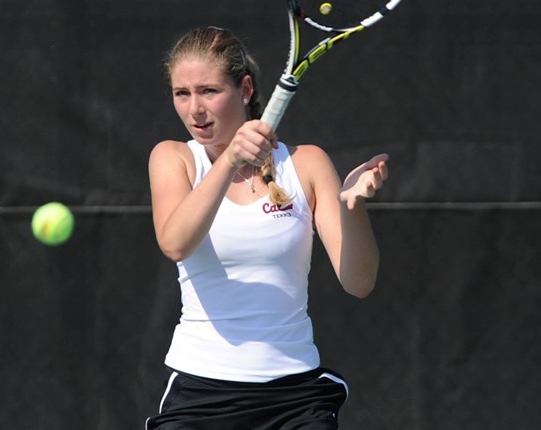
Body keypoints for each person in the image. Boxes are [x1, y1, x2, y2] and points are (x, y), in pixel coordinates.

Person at [145, 26, 389, 429]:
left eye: (208, 91)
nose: (194, 109)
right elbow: (175, 243)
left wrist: (353, 207)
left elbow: (359, 282)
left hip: (296, 399)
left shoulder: (307, 163)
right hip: (201, 396)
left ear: (244, 90)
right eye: (181, 94)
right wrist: (229, 160)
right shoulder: (173, 158)